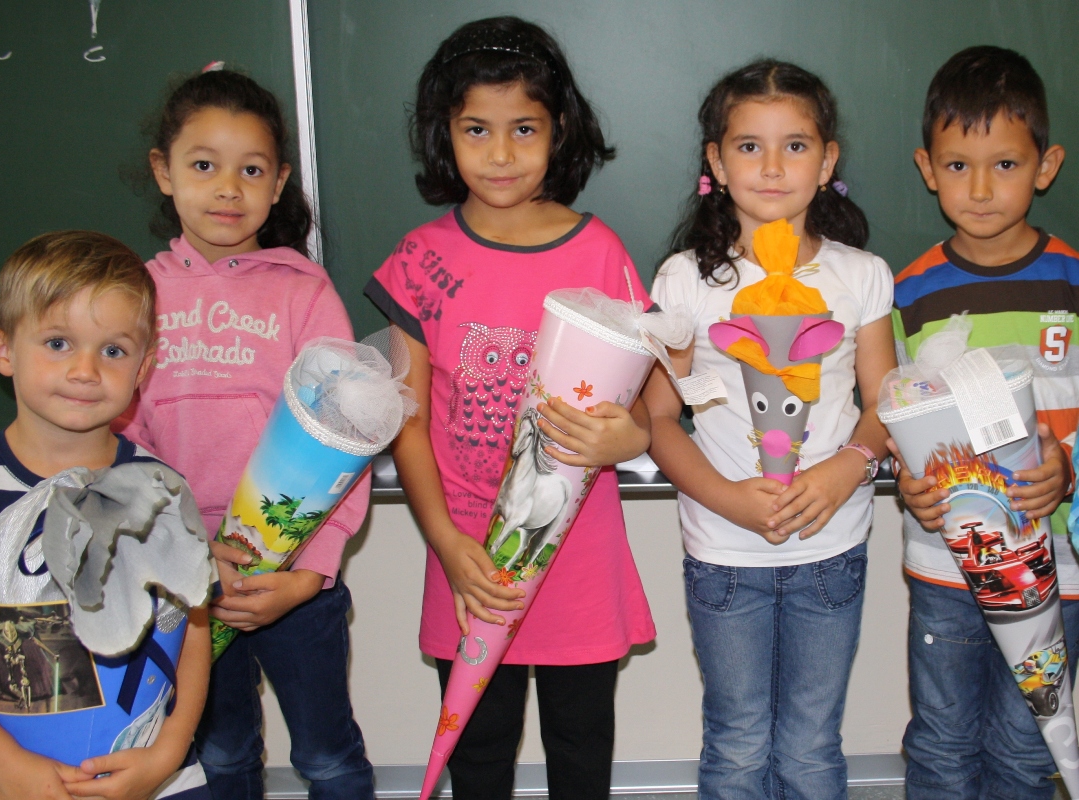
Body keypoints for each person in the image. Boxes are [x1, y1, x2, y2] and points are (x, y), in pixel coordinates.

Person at [364, 17, 655, 800]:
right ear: (444, 133)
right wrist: (444, 541)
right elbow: (406, 418)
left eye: (523, 128)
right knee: (478, 750)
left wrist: (628, 438)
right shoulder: (420, 259)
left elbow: (646, 404)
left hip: (576, 555)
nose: (500, 153)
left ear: (558, 130)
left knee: (580, 745)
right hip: (466, 554)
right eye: (476, 129)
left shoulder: (598, 252)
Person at [643, 60, 896, 799]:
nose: (773, 166)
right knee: (737, 740)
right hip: (724, 555)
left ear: (828, 161)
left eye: (796, 145)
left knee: (812, 744)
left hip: (832, 548)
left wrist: (847, 466)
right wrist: (726, 498)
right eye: (749, 146)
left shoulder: (861, 275)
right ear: (717, 164)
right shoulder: (685, 280)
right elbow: (656, 417)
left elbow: (885, 402)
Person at [122, 66, 374, 799]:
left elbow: (348, 437)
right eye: (204, 166)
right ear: (163, 172)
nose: (228, 189)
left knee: (327, 757)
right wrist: (182, 556)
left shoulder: (304, 292)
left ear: (279, 182)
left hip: (293, 579)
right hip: (186, 582)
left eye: (251, 170)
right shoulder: (134, 295)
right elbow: (121, 445)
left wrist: (309, 573)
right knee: (221, 754)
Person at [0, 231, 212, 800]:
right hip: (2, 782)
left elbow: (192, 633)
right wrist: (3, 766)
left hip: (151, 781)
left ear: (144, 368)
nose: (86, 370)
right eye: (58, 343)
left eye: (113, 351)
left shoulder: (161, 491)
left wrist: (166, 754)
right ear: (3, 350)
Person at [890, 46, 1077, 800]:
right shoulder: (907, 294)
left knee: (1029, 742)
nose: (978, 188)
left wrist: (1067, 468)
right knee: (941, 738)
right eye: (957, 165)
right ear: (927, 169)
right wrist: (905, 480)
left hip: (1055, 567)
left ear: (1045, 165)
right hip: (945, 562)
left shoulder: (1071, 282)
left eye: (1004, 164)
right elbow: (891, 417)